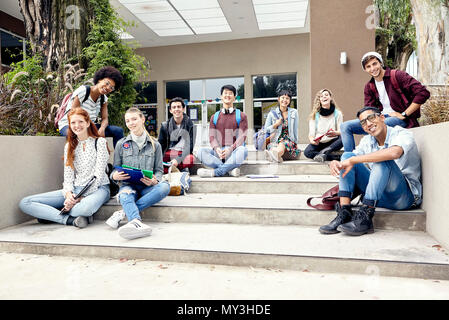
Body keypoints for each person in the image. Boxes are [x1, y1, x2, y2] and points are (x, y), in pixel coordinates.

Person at [319, 106, 422, 236]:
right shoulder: (367, 141)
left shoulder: (401, 133)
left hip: (404, 197)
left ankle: (366, 216)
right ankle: (344, 212)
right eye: (363, 122)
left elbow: (395, 152)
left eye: (371, 118)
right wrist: (337, 163)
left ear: (382, 118)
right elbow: (351, 159)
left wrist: (353, 161)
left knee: (381, 158)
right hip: (380, 197)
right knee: (347, 156)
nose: (368, 124)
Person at [19, 108, 111, 228]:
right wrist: (68, 195)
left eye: (81, 122)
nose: (77, 125)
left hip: (99, 189)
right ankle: (69, 220)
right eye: (73, 123)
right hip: (75, 189)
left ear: (88, 123)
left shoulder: (100, 143)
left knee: (84, 209)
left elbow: (97, 177)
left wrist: (78, 199)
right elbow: (68, 177)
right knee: (25, 203)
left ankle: (53, 214)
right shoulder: (69, 146)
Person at [340, 51, 430, 152]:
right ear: (365, 69)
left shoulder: (397, 75)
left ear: (381, 63)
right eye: (368, 66)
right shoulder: (369, 87)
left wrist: (404, 114)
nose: (373, 68)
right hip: (379, 118)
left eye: (374, 63)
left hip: (398, 119)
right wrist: (366, 121)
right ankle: (349, 160)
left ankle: (370, 156)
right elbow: (369, 110)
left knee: (379, 125)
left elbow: (423, 93)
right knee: (345, 126)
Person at [105, 107, 170, 240]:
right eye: (128, 121)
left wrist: (155, 180)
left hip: (147, 187)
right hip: (128, 185)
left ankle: (124, 213)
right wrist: (114, 176)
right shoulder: (121, 144)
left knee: (165, 187)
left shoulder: (155, 144)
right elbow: (115, 170)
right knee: (124, 195)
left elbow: (158, 170)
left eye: (134, 119)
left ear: (142, 119)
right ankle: (136, 222)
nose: (131, 123)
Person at [58, 66, 125, 147]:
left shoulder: (103, 99)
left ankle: (119, 158)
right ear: (100, 79)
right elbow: (74, 115)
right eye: (107, 83)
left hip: (89, 126)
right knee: (76, 135)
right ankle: (76, 159)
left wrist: (102, 129)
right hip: (70, 125)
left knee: (118, 131)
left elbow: (105, 119)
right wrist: (86, 131)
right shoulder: (83, 91)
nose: (107, 88)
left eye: (111, 87)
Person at [196, 85, 248, 177]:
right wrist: (217, 148)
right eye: (225, 93)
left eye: (230, 93)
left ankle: (216, 172)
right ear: (221, 96)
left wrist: (230, 149)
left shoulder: (241, 115)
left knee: (243, 150)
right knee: (200, 151)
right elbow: (212, 137)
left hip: (233, 152)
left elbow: (242, 137)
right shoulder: (214, 117)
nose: (227, 95)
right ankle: (229, 170)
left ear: (234, 97)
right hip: (218, 153)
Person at [304, 88, 343, 162]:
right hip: (320, 143)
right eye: (321, 96)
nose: (324, 97)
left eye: (326, 95)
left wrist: (335, 133)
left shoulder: (338, 113)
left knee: (344, 137)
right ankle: (331, 156)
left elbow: (341, 131)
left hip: (333, 143)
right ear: (320, 100)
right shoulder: (314, 115)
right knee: (307, 152)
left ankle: (323, 153)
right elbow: (311, 135)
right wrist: (313, 141)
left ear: (330, 98)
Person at [158, 97, 196, 174]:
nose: (176, 109)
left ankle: (170, 169)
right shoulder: (165, 125)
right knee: (157, 161)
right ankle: (179, 169)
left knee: (191, 159)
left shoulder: (191, 125)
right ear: (170, 110)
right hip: (169, 153)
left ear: (183, 109)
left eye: (179, 107)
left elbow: (190, 146)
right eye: (174, 107)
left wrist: (177, 160)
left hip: (183, 153)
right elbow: (160, 145)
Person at [264, 90, 300, 162]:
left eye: (287, 98)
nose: (285, 100)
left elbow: (295, 129)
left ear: (290, 101)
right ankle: (277, 157)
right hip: (275, 140)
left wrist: (296, 142)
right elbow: (266, 130)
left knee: (283, 143)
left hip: (288, 141)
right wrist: (276, 125)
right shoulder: (272, 114)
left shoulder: (294, 112)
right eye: (283, 97)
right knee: (275, 146)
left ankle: (275, 155)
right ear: (278, 99)